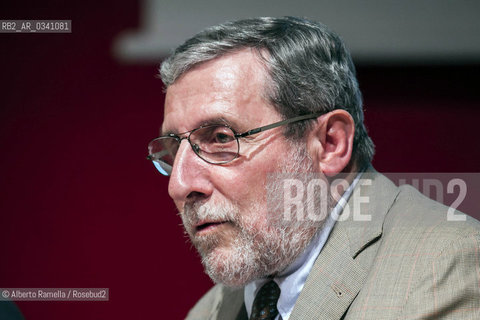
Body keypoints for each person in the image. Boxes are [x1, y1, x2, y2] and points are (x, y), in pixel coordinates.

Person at [147, 17, 480, 320]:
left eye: (221, 138)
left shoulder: (445, 266)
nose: (178, 184)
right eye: (175, 149)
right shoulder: (208, 312)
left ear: (330, 143)